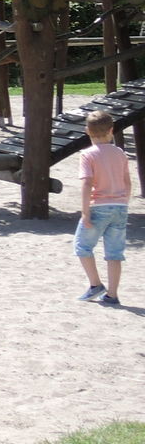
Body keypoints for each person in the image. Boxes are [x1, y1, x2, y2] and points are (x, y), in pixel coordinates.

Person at [75, 110, 131, 307]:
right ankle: (112, 294)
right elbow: (127, 182)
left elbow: (87, 183)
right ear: (111, 130)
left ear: (87, 131)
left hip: (98, 205)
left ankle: (95, 284)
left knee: (82, 246)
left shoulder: (88, 154)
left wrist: (85, 211)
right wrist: (124, 201)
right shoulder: (120, 153)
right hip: (120, 205)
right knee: (114, 252)